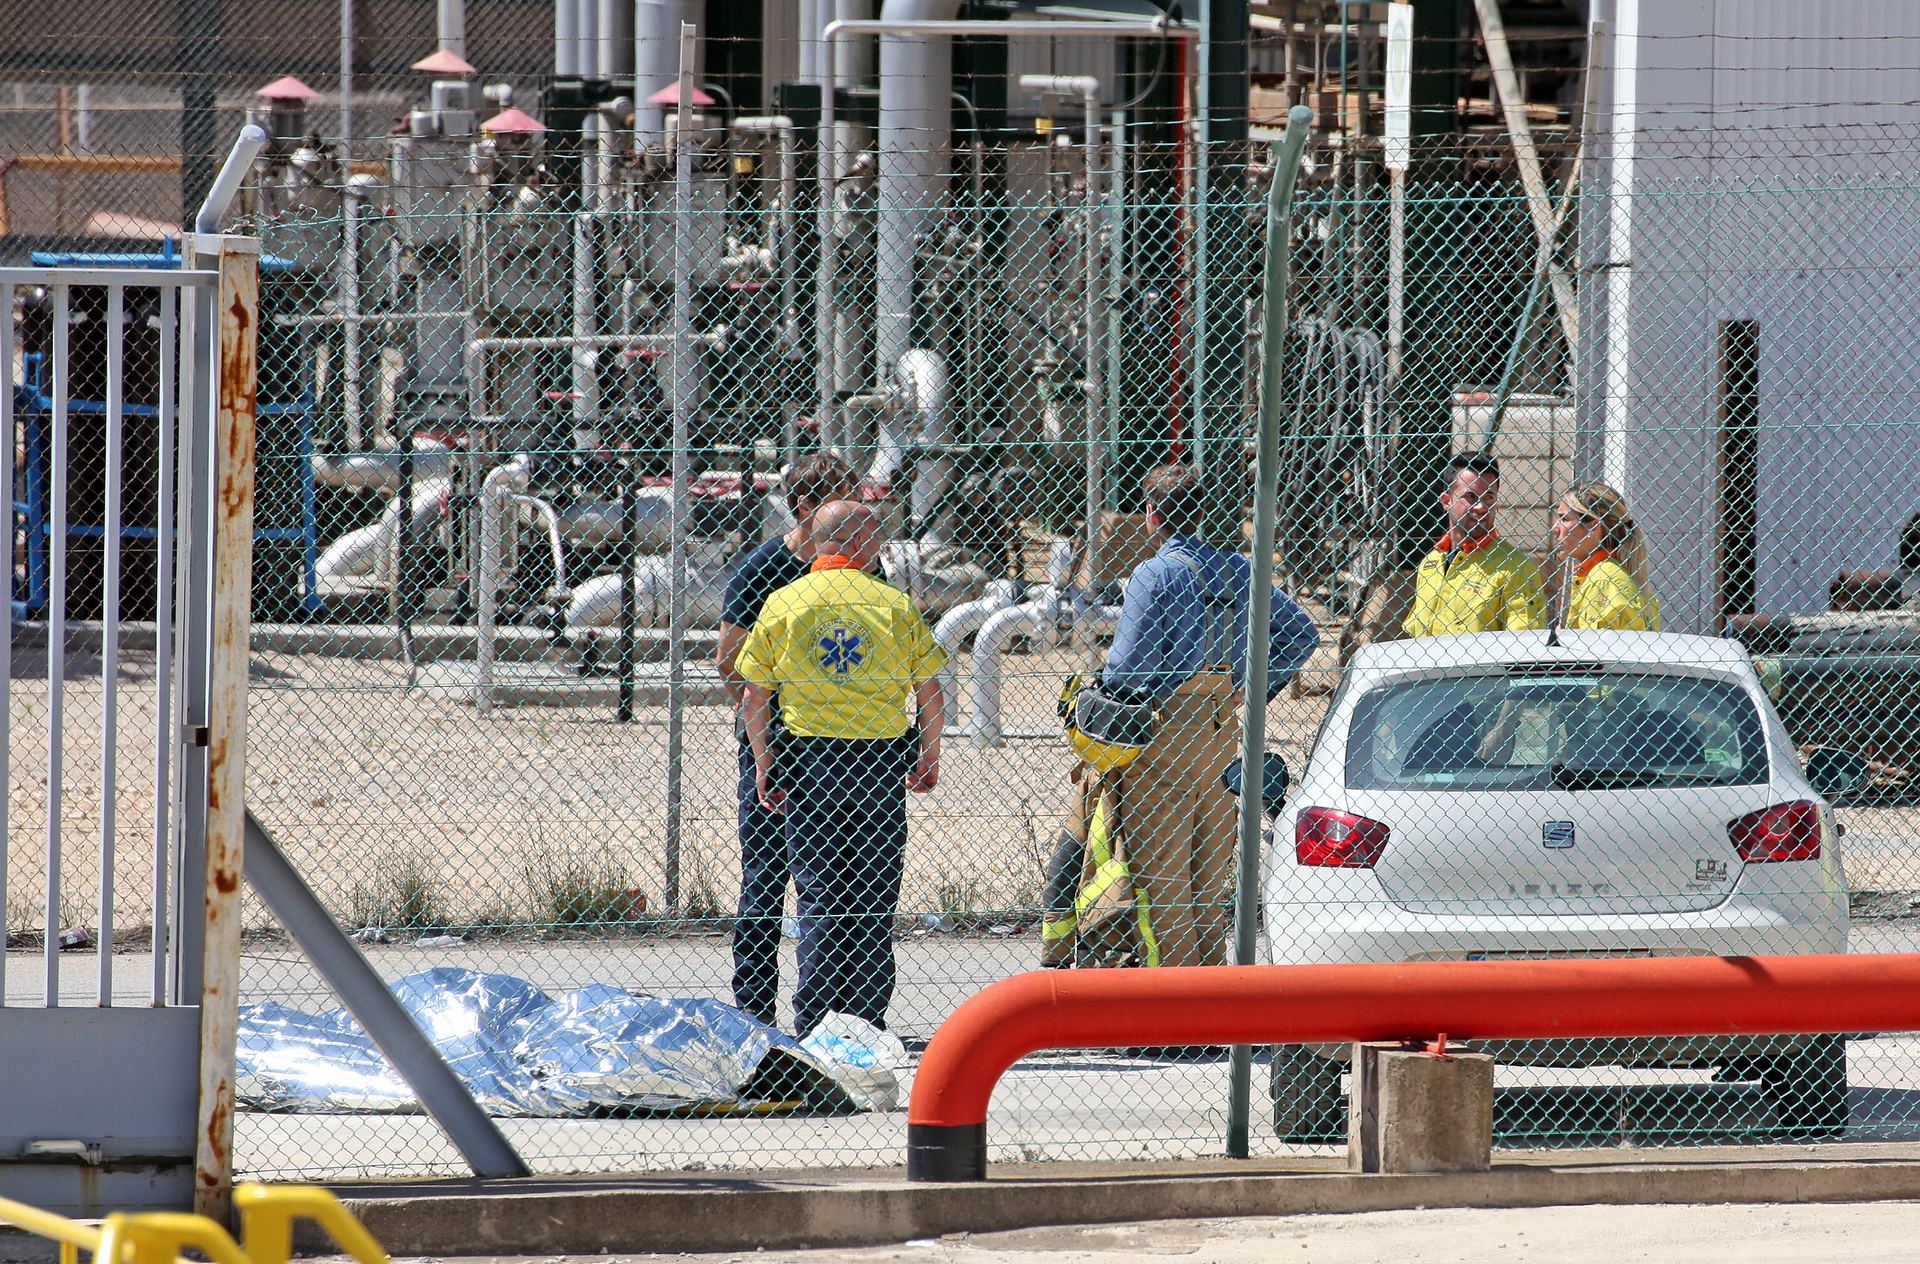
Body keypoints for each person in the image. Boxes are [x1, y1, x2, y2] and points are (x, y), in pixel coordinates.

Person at [1096, 463, 1320, 968]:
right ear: (1200, 512)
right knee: (1207, 878)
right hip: (1221, 739)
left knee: (1162, 879)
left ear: (1152, 516)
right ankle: (1213, 1004)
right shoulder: (1241, 571)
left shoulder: (1154, 575)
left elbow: (1127, 672)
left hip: (1161, 737)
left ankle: (1173, 1017)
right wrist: (1250, 687)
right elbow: (1302, 635)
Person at [735, 500, 945, 1037]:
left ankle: (812, 1027)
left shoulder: (784, 603)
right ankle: (865, 1025)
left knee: (820, 896)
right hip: (877, 766)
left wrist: (764, 763)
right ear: (864, 544)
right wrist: (927, 755)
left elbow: (755, 697)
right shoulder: (895, 606)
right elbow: (931, 693)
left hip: (810, 766)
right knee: (873, 897)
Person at [714, 454, 857, 1025]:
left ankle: (838, 1016)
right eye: (842, 503)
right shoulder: (762, 570)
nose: (857, 519)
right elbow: (729, 662)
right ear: (805, 508)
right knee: (768, 876)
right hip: (777, 747)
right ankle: (753, 1014)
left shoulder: (860, 567)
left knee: (843, 880)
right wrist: (766, 722)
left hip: (844, 749)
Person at [1403, 450, 1548, 637]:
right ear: (1446, 501)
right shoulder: (1430, 565)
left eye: (1489, 497)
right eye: (1470, 497)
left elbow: (1524, 646)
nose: (1481, 507)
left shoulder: (1516, 568)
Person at [1551, 481, 1662, 631]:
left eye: (1564, 519)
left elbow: (1594, 650)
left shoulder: (1604, 579)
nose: (1555, 529)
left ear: (1594, 526)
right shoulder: (1607, 572)